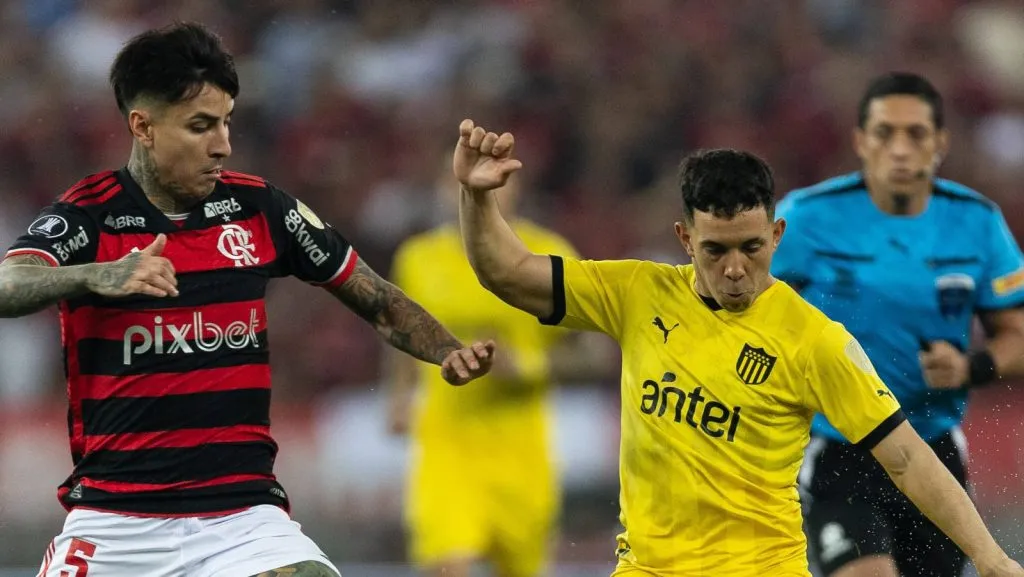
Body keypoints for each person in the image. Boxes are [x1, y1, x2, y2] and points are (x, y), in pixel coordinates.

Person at [0, 23, 494, 577]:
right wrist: (94, 275)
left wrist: (446, 350)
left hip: (241, 518)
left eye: (227, 122)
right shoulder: (89, 214)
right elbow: (7, 286)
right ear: (143, 127)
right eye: (200, 126)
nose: (223, 144)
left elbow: (375, 298)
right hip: (117, 519)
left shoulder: (259, 208)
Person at [450, 118, 1024, 577]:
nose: (734, 270)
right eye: (715, 250)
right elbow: (508, 272)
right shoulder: (637, 293)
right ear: (685, 238)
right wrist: (477, 201)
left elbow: (906, 456)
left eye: (751, 247)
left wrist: (991, 557)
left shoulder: (814, 340)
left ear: (776, 235)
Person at [772, 71, 1024, 577]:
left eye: (916, 134)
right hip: (838, 448)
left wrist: (972, 365)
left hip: (932, 447)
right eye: (886, 133)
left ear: (941, 143)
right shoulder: (804, 218)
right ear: (861, 142)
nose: (901, 149)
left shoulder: (977, 223)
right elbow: (739, 301)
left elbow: (1016, 335)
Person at [385, 162, 613, 577]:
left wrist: (528, 365)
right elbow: (402, 331)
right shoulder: (419, 258)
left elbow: (596, 354)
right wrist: (399, 397)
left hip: (521, 455)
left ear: (513, 190)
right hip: (446, 445)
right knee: (446, 567)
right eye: (456, 183)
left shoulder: (549, 254)